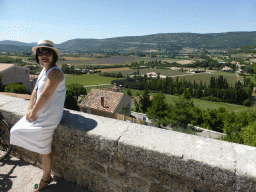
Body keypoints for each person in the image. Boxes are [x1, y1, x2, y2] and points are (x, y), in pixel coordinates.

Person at [10, 39, 66, 191]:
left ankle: (46, 178)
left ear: (54, 55)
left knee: (43, 149)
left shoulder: (55, 72)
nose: (43, 55)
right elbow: (35, 90)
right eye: (40, 52)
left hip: (49, 116)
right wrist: (30, 108)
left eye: (47, 52)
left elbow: (46, 95)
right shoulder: (44, 69)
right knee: (16, 132)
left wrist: (33, 112)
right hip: (40, 112)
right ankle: (46, 172)